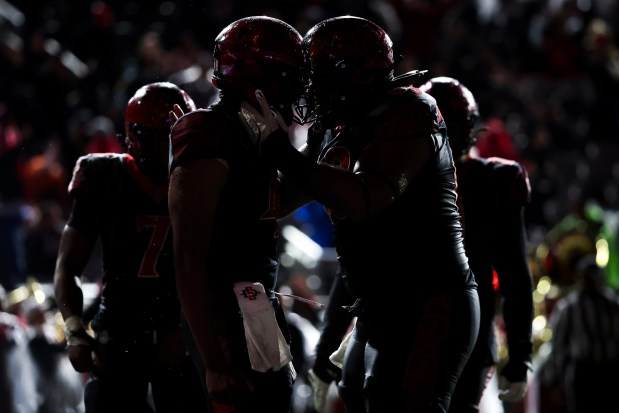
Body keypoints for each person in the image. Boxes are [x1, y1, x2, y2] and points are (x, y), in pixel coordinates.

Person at [237, 15, 481, 413]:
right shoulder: (336, 124)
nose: (309, 86)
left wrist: (281, 153)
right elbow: (283, 198)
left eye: (317, 74)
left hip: (431, 300)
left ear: (350, 73)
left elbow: (365, 199)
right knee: (357, 395)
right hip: (379, 304)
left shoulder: (410, 111)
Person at [167, 16, 305, 413]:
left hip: (255, 301)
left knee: (276, 398)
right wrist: (214, 362)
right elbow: (187, 258)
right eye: (286, 74)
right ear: (254, 74)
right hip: (222, 310)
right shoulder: (209, 131)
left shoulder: (254, 133)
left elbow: (269, 205)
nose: (296, 86)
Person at [53, 81, 209, 413]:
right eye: (164, 139)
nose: (173, 148)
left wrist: (188, 330)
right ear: (137, 137)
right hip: (120, 334)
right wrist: (75, 330)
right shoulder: (103, 175)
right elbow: (68, 264)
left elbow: (219, 266)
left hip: (180, 332)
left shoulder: (201, 180)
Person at [420, 76, 534, 412]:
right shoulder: (403, 179)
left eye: (450, 127)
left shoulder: (494, 182)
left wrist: (521, 352)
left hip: (463, 334)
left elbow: (514, 275)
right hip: (408, 330)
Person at [543, 254, 619, 413]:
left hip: (609, 370)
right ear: (580, 279)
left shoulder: (612, 303)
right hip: (583, 373)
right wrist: (556, 380)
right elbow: (558, 345)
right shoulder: (569, 307)